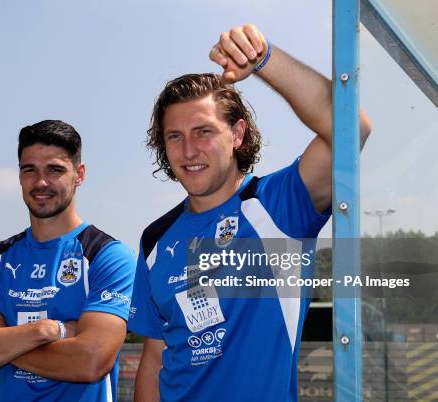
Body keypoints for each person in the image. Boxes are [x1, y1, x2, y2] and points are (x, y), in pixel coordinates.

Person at [128, 24, 372, 401]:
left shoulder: (279, 204)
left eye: (203, 131)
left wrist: (265, 60)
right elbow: (155, 358)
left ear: (237, 134)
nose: (188, 150)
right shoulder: (155, 238)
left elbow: (351, 128)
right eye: (174, 136)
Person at [0, 120, 136, 401]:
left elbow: (91, 361)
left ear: (79, 174)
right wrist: (46, 330)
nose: (41, 182)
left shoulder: (107, 256)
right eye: (29, 170)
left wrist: (2, 342)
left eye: (55, 169)